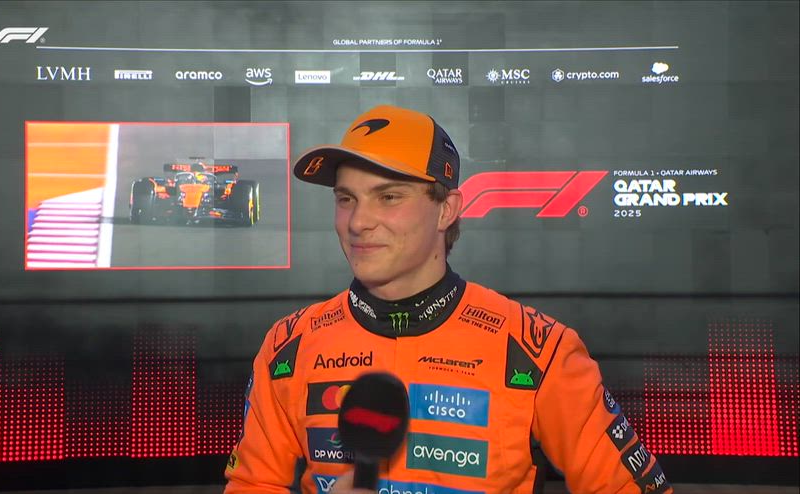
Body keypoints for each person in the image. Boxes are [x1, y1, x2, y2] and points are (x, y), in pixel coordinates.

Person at [224, 105, 672, 494]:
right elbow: (251, 485)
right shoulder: (289, 345)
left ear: (447, 209)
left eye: (388, 197)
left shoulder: (537, 349)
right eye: (346, 199)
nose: (358, 221)